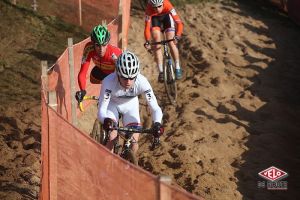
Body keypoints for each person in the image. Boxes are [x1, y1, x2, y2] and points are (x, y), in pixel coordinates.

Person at [97, 51, 163, 154]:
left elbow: (155, 107)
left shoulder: (142, 81)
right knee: (112, 136)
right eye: (124, 77)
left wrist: (157, 123)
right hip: (112, 104)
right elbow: (102, 109)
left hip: (130, 106)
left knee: (134, 141)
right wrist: (105, 120)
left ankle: (129, 165)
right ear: (118, 74)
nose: (128, 82)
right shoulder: (108, 81)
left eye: (132, 78)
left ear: (136, 75)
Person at [75, 24, 122, 102]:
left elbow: (124, 75)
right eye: (97, 45)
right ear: (93, 43)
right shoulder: (88, 49)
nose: (101, 49)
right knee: (93, 77)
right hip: (101, 72)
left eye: (104, 45)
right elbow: (82, 73)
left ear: (108, 43)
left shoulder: (115, 54)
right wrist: (82, 90)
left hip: (116, 74)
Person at [143, 0, 184, 82]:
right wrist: (147, 40)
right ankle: (161, 71)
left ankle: (177, 67)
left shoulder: (168, 5)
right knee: (156, 41)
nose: (157, 9)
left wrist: (177, 35)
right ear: (151, 6)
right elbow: (147, 27)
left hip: (166, 18)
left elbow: (179, 23)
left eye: (159, 6)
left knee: (171, 42)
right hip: (155, 19)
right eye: (155, 7)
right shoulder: (149, 9)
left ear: (162, 4)